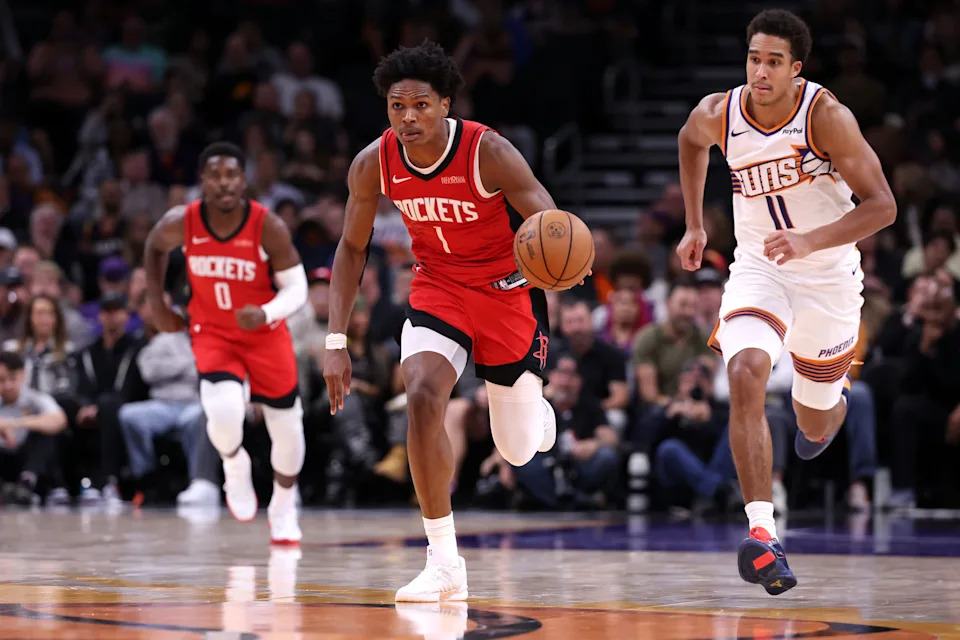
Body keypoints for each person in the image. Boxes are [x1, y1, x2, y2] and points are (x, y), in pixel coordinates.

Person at [324, 41, 568, 602]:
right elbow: (352, 248)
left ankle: (534, 409)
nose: (408, 117)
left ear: (445, 105)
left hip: (506, 292)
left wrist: (563, 260)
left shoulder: (488, 151)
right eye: (397, 106)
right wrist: (336, 338)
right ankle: (443, 562)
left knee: (517, 450)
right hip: (438, 288)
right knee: (422, 395)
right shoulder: (373, 162)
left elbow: (549, 221)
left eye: (420, 105)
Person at [676, 9, 896, 595]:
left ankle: (831, 405)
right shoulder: (719, 113)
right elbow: (690, 142)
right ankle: (763, 533)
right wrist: (695, 224)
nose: (760, 72)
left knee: (813, 419)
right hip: (759, 269)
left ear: (797, 69)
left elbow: (883, 206)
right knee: (745, 371)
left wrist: (810, 241)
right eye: (754, 58)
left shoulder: (826, 117)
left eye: (774, 62)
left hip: (827, 278)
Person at [144, 142, 309, 545]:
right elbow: (154, 246)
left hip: (265, 335)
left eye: (232, 174)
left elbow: (298, 288)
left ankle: (283, 505)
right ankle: (234, 465)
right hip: (213, 332)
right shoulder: (182, 221)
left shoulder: (267, 225)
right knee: (223, 411)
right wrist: (157, 304)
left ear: (243, 180)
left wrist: (266, 312)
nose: (224, 183)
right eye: (215, 175)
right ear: (202, 181)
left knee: (287, 427)